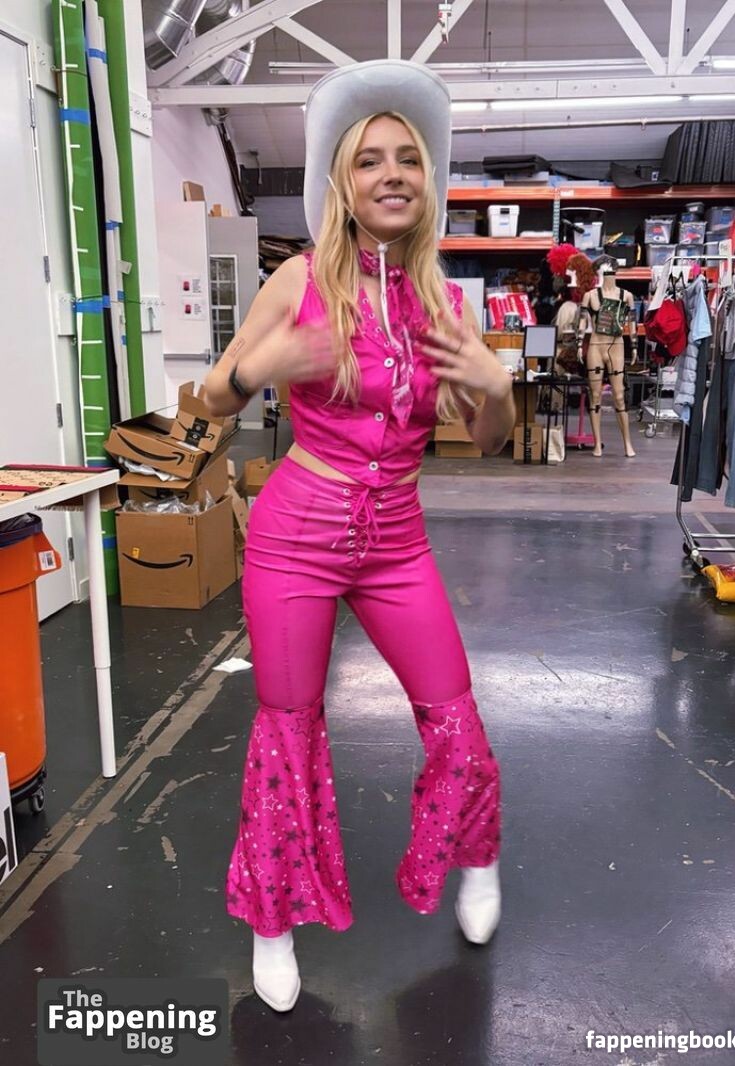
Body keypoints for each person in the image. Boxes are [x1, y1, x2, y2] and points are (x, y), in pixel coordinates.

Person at [204, 60, 515, 1013]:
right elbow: (210, 401)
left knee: (456, 716)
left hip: (397, 539)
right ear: (341, 183)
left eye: (407, 160)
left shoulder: (445, 303)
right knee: (288, 727)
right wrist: (263, 365)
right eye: (370, 160)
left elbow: (488, 439)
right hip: (296, 532)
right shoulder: (297, 280)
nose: (391, 174)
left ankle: (476, 857)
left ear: (427, 181)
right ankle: (272, 923)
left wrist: (498, 389)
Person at [581, 254, 637, 458]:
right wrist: (579, 344)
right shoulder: (590, 296)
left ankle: (628, 443)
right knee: (595, 395)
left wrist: (634, 347)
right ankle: (597, 444)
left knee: (619, 396)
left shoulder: (626, 296)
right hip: (596, 346)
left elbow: (632, 322)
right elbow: (582, 321)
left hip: (616, 346)